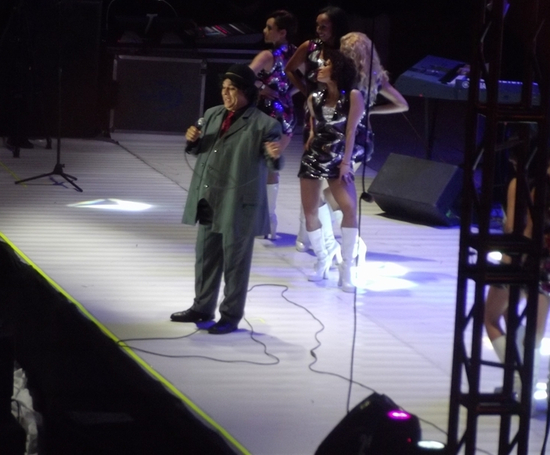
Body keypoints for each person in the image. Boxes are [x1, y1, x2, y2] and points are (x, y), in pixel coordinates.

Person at [170, 64, 282, 335]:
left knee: (235, 263)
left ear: (246, 92)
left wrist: (274, 155)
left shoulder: (265, 124)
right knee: (205, 257)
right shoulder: (212, 115)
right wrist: (192, 140)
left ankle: (230, 316)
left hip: (238, 203)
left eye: (232, 89)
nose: (226, 93)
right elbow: (199, 149)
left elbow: (273, 164)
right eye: (223, 88)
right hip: (209, 198)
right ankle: (202, 307)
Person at [286, 6, 350, 254]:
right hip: (316, 114)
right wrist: (305, 91)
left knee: (337, 176)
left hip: (343, 114)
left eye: (324, 25)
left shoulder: (346, 48)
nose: (319, 30)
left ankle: (329, 231)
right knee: (311, 173)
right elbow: (290, 68)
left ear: (336, 26)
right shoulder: (310, 47)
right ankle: (306, 229)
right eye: (317, 25)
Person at [299, 49, 364, 292]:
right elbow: (314, 126)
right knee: (310, 212)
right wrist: (311, 136)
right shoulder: (314, 97)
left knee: (349, 208)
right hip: (314, 157)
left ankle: (346, 268)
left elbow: (351, 131)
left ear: (337, 69)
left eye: (325, 63)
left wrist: (346, 162)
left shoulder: (353, 96)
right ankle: (322, 259)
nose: (320, 67)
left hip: (338, 159)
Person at [484, 170, 550, 402]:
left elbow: (515, 228)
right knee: (534, 335)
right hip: (546, 263)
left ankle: (519, 380)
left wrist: (510, 261)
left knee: (490, 317)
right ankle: (526, 390)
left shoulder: (523, 182)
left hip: (522, 258)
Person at [249, 9, 298, 239]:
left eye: (269, 27)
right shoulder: (298, 54)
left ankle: (262, 220)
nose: (264, 31)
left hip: (265, 115)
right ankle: (269, 220)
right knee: (271, 165)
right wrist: (287, 93)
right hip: (286, 114)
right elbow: (309, 81)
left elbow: (243, 76)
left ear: (282, 32)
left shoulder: (267, 56)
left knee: (258, 165)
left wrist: (261, 87)